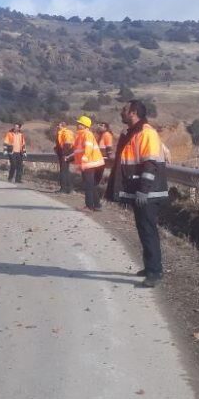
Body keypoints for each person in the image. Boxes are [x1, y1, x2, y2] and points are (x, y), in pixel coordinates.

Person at [109, 100, 169, 288]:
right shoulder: (133, 132)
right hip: (140, 192)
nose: (121, 112)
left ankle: (155, 272)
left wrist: (143, 190)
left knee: (148, 231)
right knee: (144, 230)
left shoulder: (146, 133)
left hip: (148, 193)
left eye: (124, 110)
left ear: (133, 113)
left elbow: (150, 163)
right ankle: (150, 266)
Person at [69, 116, 105, 210]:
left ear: (85, 126)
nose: (78, 125)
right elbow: (78, 151)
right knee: (91, 184)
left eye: (80, 124)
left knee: (88, 185)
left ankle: (89, 206)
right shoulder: (80, 135)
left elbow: (88, 149)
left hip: (89, 163)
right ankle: (97, 205)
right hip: (88, 163)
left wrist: (83, 161)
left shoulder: (87, 134)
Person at [54, 121, 75, 193]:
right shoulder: (61, 132)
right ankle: (69, 188)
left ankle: (64, 189)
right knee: (65, 171)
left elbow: (68, 144)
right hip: (64, 152)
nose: (57, 126)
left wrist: (65, 155)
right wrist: (56, 149)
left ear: (62, 126)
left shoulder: (66, 132)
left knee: (63, 171)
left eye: (58, 125)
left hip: (66, 153)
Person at [95, 122, 115, 186]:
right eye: (99, 125)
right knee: (97, 171)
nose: (99, 126)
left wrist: (109, 157)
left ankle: (96, 185)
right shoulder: (100, 134)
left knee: (98, 172)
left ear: (106, 128)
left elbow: (109, 146)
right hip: (98, 155)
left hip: (103, 156)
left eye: (101, 125)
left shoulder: (107, 134)